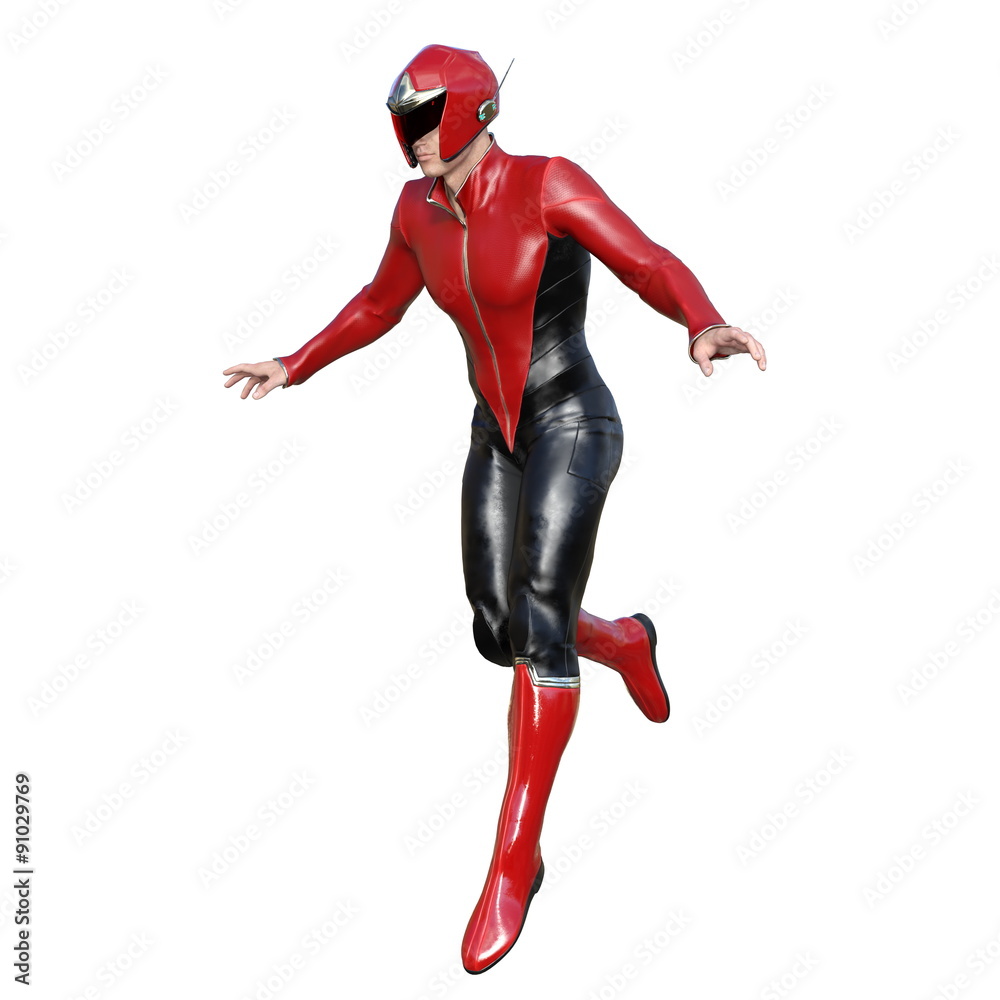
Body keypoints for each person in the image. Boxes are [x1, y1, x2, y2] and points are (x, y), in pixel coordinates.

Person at [223, 43, 766, 974]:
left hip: (573, 421)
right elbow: (379, 304)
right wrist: (294, 362)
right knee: (496, 628)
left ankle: (516, 862)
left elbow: (645, 259)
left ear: (473, 111)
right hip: (498, 432)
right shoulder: (416, 210)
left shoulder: (548, 183)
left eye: (423, 120)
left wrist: (701, 318)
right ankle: (624, 641)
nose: (411, 139)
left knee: (542, 632)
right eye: (402, 122)